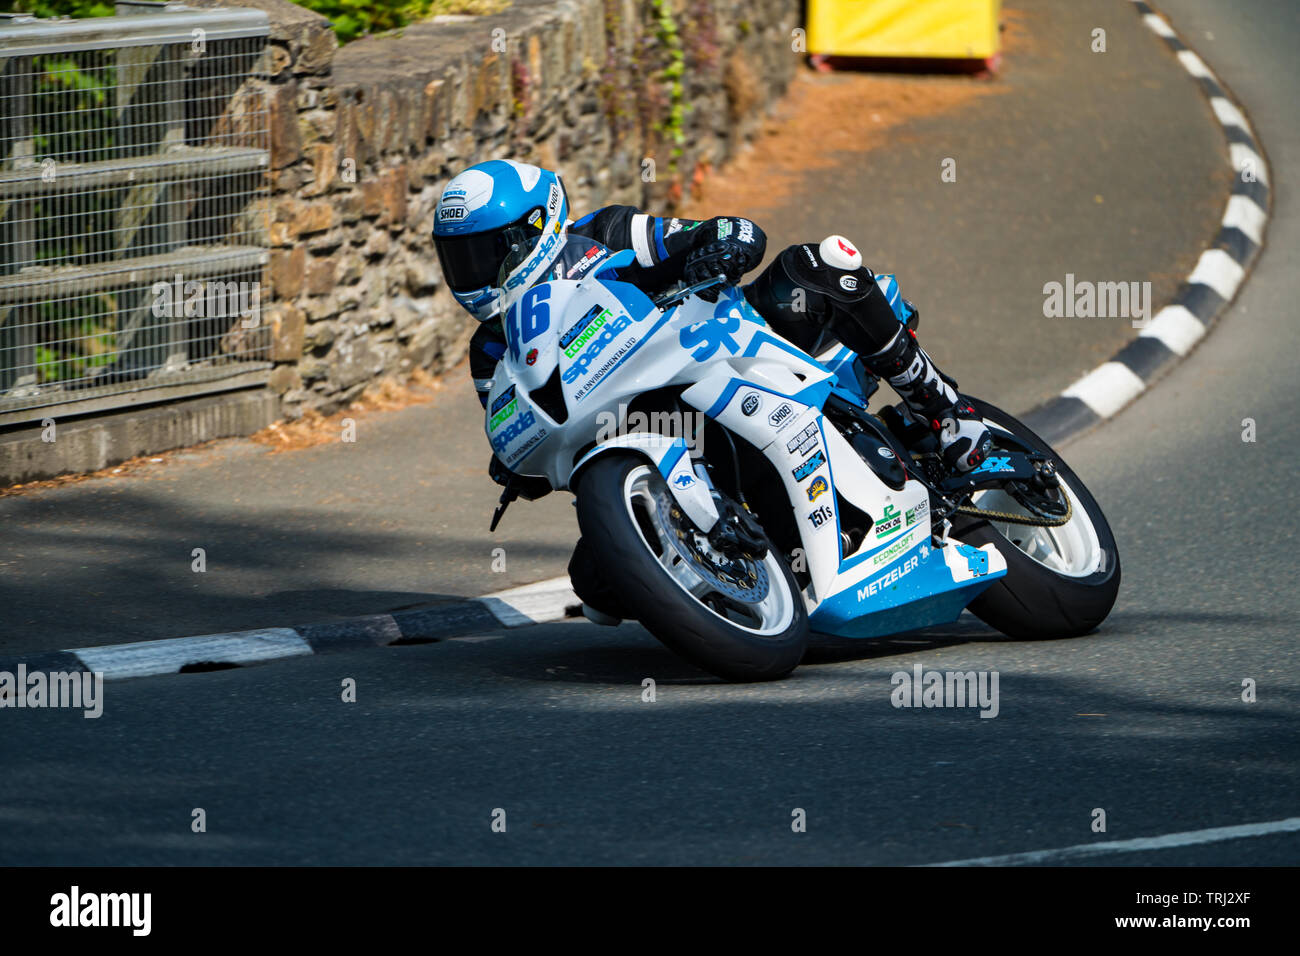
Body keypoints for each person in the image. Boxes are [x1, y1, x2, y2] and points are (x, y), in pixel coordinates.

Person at [431, 159, 992, 479]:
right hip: (640, 430)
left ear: (537, 225)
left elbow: (714, 232)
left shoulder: (601, 233)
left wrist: (719, 242)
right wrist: (513, 467)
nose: (473, 273)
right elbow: (522, 429)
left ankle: (946, 411)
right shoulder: (491, 349)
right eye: (460, 259)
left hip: (722, 341)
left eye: (485, 253)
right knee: (598, 585)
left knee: (815, 268)